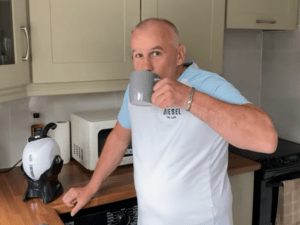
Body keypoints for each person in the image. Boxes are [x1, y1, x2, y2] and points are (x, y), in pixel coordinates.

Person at [63, 18, 278, 224]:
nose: (145, 66)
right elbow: (119, 137)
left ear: (179, 54)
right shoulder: (135, 89)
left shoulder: (209, 84)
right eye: (138, 55)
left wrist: (187, 97)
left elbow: (266, 140)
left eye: (156, 53)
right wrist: (90, 187)